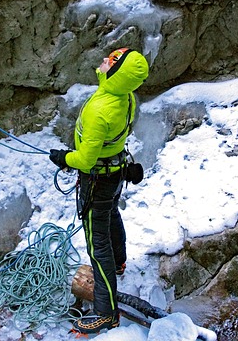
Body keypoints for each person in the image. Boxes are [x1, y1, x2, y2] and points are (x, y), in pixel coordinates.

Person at [49, 47, 149, 334]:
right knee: (111, 214)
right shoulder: (126, 96)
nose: (105, 60)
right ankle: (119, 263)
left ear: (117, 72)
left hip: (97, 179)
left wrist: (63, 158)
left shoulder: (99, 109)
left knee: (97, 244)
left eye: (111, 60)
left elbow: (85, 160)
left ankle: (106, 314)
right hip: (116, 172)